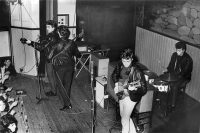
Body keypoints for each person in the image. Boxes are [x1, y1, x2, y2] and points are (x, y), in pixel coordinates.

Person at [111, 48, 147, 133]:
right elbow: (114, 75)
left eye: (127, 61)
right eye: (123, 61)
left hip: (131, 96)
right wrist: (117, 84)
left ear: (132, 59)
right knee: (123, 115)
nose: (125, 63)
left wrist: (134, 88)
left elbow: (144, 89)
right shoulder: (120, 65)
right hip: (122, 93)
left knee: (124, 119)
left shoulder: (137, 71)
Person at [20, 20, 60, 96]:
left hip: (50, 59)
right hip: (55, 57)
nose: (47, 28)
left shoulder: (50, 36)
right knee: (52, 75)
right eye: (46, 27)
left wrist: (30, 42)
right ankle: (54, 90)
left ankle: (54, 92)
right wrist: (42, 39)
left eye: (48, 27)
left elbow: (41, 47)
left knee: (50, 75)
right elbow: (48, 44)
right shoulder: (56, 34)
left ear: (53, 27)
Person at [50, 25, 81, 111]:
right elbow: (78, 54)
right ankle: (66, 103)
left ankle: (67, 104)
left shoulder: (55, 43)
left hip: (59, 68)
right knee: (67, 85)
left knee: (60, 86)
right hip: (70, 66)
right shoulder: (72, 43)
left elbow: (49, 57)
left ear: (59, 34)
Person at [165, 41, 193, 110]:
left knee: (174, 86)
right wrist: (167, 70)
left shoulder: (188, 59)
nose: (177, 51)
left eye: (179, 50)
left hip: (184, 77)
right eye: (177, 50)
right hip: (175, 74)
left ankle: (172, 105)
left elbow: (184, 73)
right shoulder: (174, 55)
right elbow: (170, 66)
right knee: (164, 78)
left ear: (183, 50)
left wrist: (174, 77)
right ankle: (166, 98)